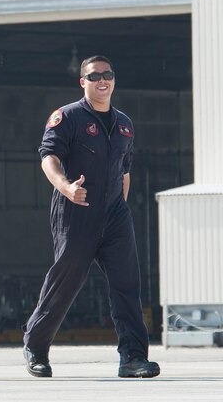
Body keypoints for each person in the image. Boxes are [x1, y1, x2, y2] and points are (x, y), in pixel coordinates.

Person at [22, 55, 160, 379]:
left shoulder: (125, 123)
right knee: (67, 281)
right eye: (94, 75)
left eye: (108, 74)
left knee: (127, 284)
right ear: (82, 82)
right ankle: (36, 346)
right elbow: (48, 157)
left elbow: (124, 171)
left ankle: (133, 358)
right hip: (75, 210)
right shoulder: (67, 117)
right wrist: (66, 187)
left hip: (114, 213)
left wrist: (118, 208)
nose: (103, 80)